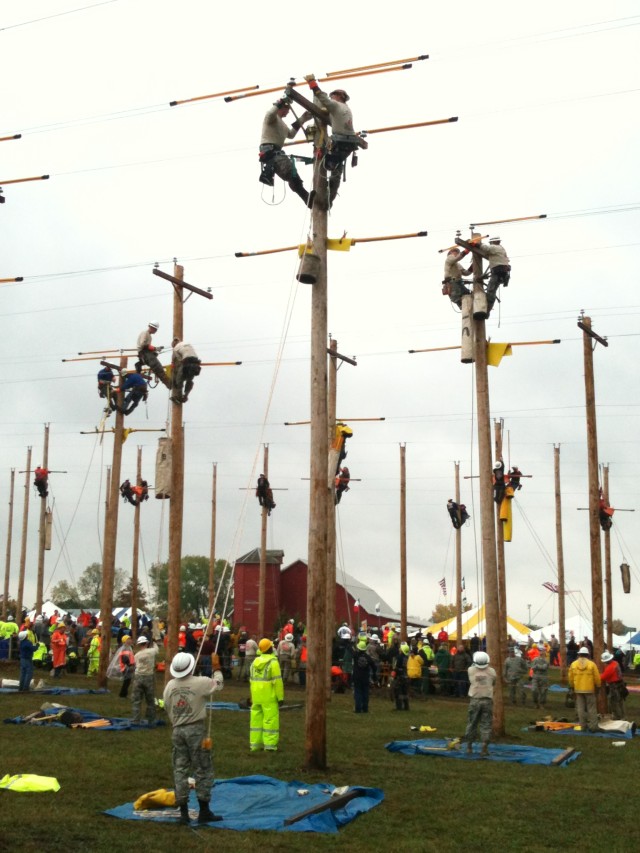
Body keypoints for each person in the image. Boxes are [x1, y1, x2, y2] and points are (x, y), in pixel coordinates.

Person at [163, 652, 225, 825]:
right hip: (196, 730)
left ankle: (183, 812)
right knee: (203, 768)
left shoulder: (170, 686)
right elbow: (218, 684)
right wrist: (217, 667)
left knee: (180, 768)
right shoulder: (201, 683)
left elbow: (167, 706)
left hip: (177, 730)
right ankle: (204, 810)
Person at [304, 74, 367, 206]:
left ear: (339, 97)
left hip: (339, 143)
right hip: (348, 146)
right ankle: (329, 199)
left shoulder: (336, 105)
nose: (331, 98)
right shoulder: (347, 109)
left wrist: (312, 83)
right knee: (336, 170)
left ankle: (323, 196)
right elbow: (332, 116)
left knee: (326, 162)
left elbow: (322, 97)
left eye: (333, 96)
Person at [259, 98, 311, 205]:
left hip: (276, 151)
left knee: (292, 173)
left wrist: (303, 119)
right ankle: (306, 197)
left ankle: (306, 197)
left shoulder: (281, 123)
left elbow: (291, 134)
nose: (288, 113)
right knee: (289, 172)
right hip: (270, 150)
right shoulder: (272, 118)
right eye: (287, 110)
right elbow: (269, 114)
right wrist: (279, 103)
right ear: (282, 108)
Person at [456, 235, 511, 314]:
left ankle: (487, 309)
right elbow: (486, 250)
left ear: (494, 242)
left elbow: (486, 248)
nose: (491, 244)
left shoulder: (496, 247)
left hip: (498, 272)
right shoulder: (500, 249)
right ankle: (488, 308)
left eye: (491, 243)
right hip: (502, 272)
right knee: (492, 290)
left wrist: (474, 244)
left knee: (490, 291)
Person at [249, 638, 284, 752]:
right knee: (270, 721)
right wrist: (280, 697)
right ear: (270, 648)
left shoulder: (254, 662)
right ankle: (269, 746)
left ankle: (255, 745)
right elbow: (277, 682)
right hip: (269, 697)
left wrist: (252, 696)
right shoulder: (273, 663)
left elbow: (251, 680)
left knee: (255, 721)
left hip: (256, 696)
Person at [463, 651, 497, 756]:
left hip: (475, 699)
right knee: (486, 724)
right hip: (487, 700)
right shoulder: (492, 671)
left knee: (472, 722)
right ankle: (484, 747)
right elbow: (494, 682)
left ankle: (469, 746)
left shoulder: (471, 670)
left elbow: (471, 666)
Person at [568, 646, 601, 732]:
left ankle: (583, 726)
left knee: (580, 708)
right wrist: (598, 686)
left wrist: (572, 686)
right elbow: (597, 677)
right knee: (592, 708)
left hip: (578, 689)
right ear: (587, 655)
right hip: (589, 689)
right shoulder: (592, 664)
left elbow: (570, 677)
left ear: (579, 654)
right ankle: (593, 727)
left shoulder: (573, 664)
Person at [130, 636, 158, 725]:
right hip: (149, 677)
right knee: (150, 700)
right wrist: (154, 641)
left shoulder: (137, 655)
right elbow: (157, 649)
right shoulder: (152, 652)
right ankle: (151, 720)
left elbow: (135, 665)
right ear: (146, 643)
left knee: (136, 700)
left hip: (138, 677)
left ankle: (135, 719)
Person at [136, 322, 171, 388]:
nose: (156, 331)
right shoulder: (145, 333)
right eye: (155, 329)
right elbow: (143, 345)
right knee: (157, 366)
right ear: (152, 327)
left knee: (158, 367)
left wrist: (156, 349)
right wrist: (154, 348)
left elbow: (148, 347)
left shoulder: (149, 336)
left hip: (146, 353)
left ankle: (168, 383)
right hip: (143, 353)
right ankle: (168, 383)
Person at [171, 338, 202, 404]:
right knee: (189, 380)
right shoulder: (187, 343)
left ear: (174, 345)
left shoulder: (175, 348)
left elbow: (180, 360)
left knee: (179, 380)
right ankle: (185, 396)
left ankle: (179, 397)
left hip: (187, 361)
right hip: (196, 362)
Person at [600, 651, 626, 720]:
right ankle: (623, 716)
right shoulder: (616, 663)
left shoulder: (610, 667)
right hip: (620, 684)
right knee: (620, 701)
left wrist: (598, 675)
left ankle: (617, 716)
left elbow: (603, 677)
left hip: (614, 686)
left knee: (613, 701)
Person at [352, 638, 376, 712]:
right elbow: (374, 667)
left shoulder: (355, 656)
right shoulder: (368, 657)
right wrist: (374, 675)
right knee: (365, 693)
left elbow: (351, 650)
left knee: (358, 693)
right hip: (365, 678)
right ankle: (365, 708)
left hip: (357, 677)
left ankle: (358, 708)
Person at [531, 644, 550, 709]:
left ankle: (542, 704)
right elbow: (533, 668)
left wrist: (537, 666)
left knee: (543, 691)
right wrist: (539, 667)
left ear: (545, 652)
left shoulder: (546, 660)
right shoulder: (535, 659)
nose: (541, 652)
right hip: (536, 676)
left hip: (544, 677)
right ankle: (535, 703)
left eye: (543, 651)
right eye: (540, 651)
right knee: (534, 690)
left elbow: (544, 667)